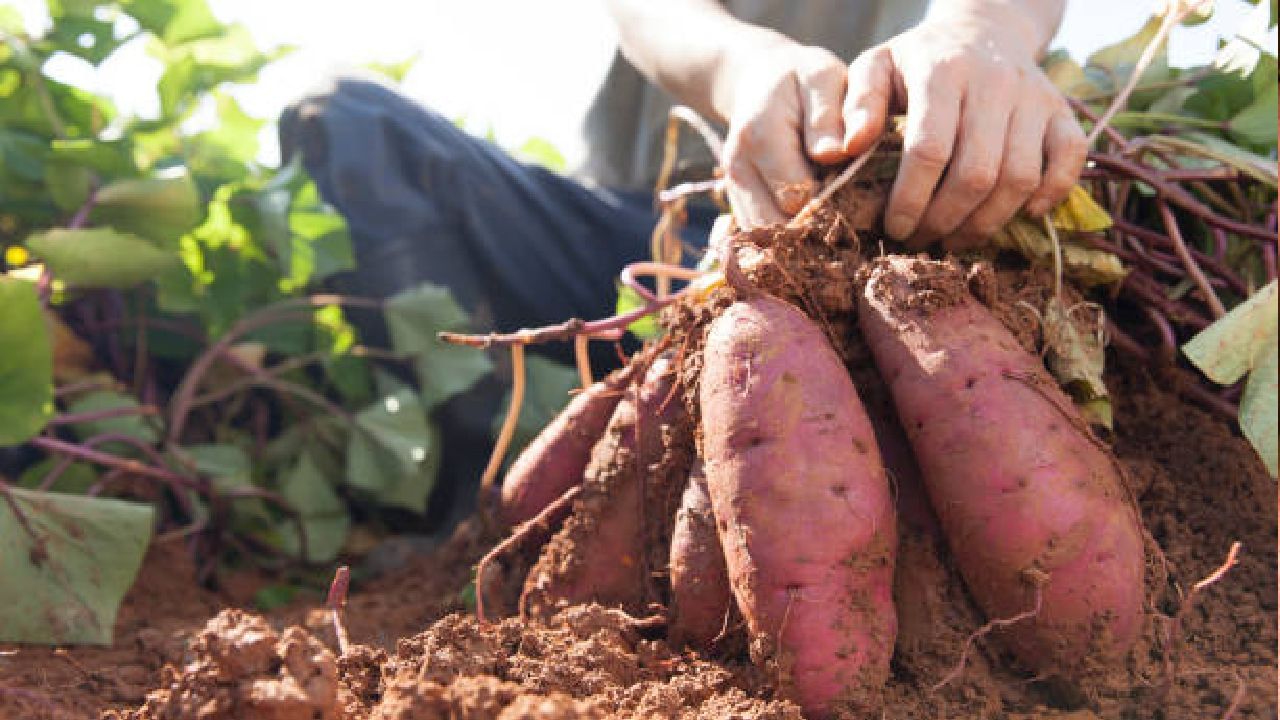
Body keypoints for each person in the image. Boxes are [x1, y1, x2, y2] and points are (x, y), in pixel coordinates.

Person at [279, 0, 1084, 526]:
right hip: (648, 236)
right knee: (347, 123)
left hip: (885, 246)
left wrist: (983, 36)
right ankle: (482, 510)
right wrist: (741, 70)